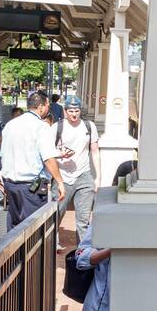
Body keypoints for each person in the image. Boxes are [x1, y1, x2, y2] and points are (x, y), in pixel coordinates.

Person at [0, 91, 64, 228]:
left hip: (10, 185)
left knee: (14, 228)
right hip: (31, 187)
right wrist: (60, 182)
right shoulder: (41, 127)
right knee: (33, 230)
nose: (47, 109)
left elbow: (3, 154)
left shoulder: (10, 125)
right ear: (40, 107)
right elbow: (48, 158)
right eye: (47, 106)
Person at [54, 96, 101, 253]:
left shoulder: (89, 126)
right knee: (57, 213)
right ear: (65, 111)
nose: (74, 114)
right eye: (71, 111)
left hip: (84, 175)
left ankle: (84, 249)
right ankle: (53, 241)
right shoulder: (57, 127)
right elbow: (47, 152)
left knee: (83, 218)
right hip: (62, 176)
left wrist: (98, 177)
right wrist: (60, 154)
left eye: (77, 110)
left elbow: (95, 151)